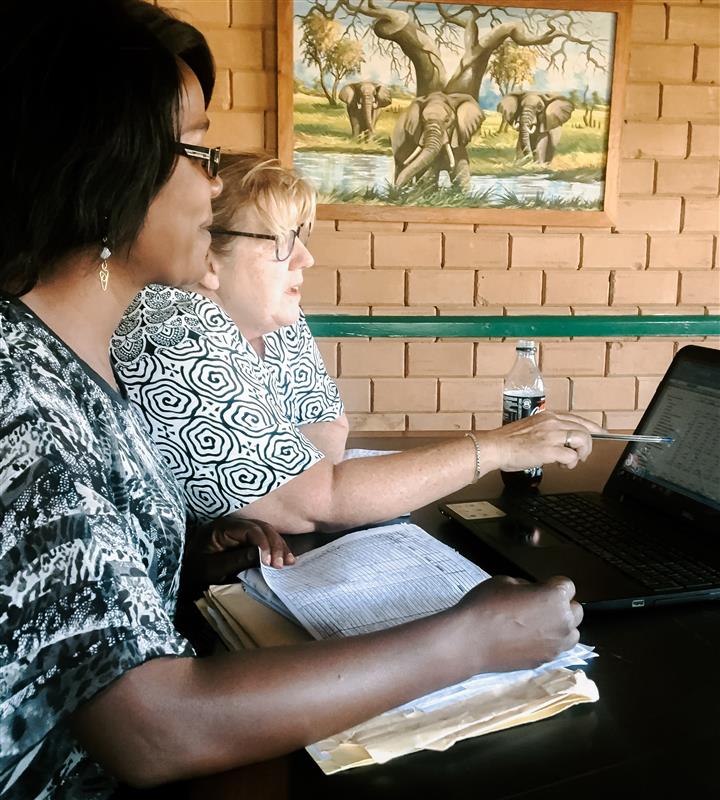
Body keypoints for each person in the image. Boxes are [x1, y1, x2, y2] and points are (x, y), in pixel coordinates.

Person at [1, 3, 583, 797]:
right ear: (109, 170)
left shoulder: (66, 362)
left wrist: (188, 548)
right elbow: (154, 728)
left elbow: (57, 612)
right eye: (199, 151)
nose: (214, 186)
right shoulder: (22, 397)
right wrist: (467, 641)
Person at [111, 153, 604, 539]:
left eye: (301, 236)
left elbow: (328, 430)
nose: (306, 257)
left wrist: (306, 491)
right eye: (281, 240)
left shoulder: (275, 318)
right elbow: (317, 500)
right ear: (207, 256)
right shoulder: (170, 322)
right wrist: (498, 447)